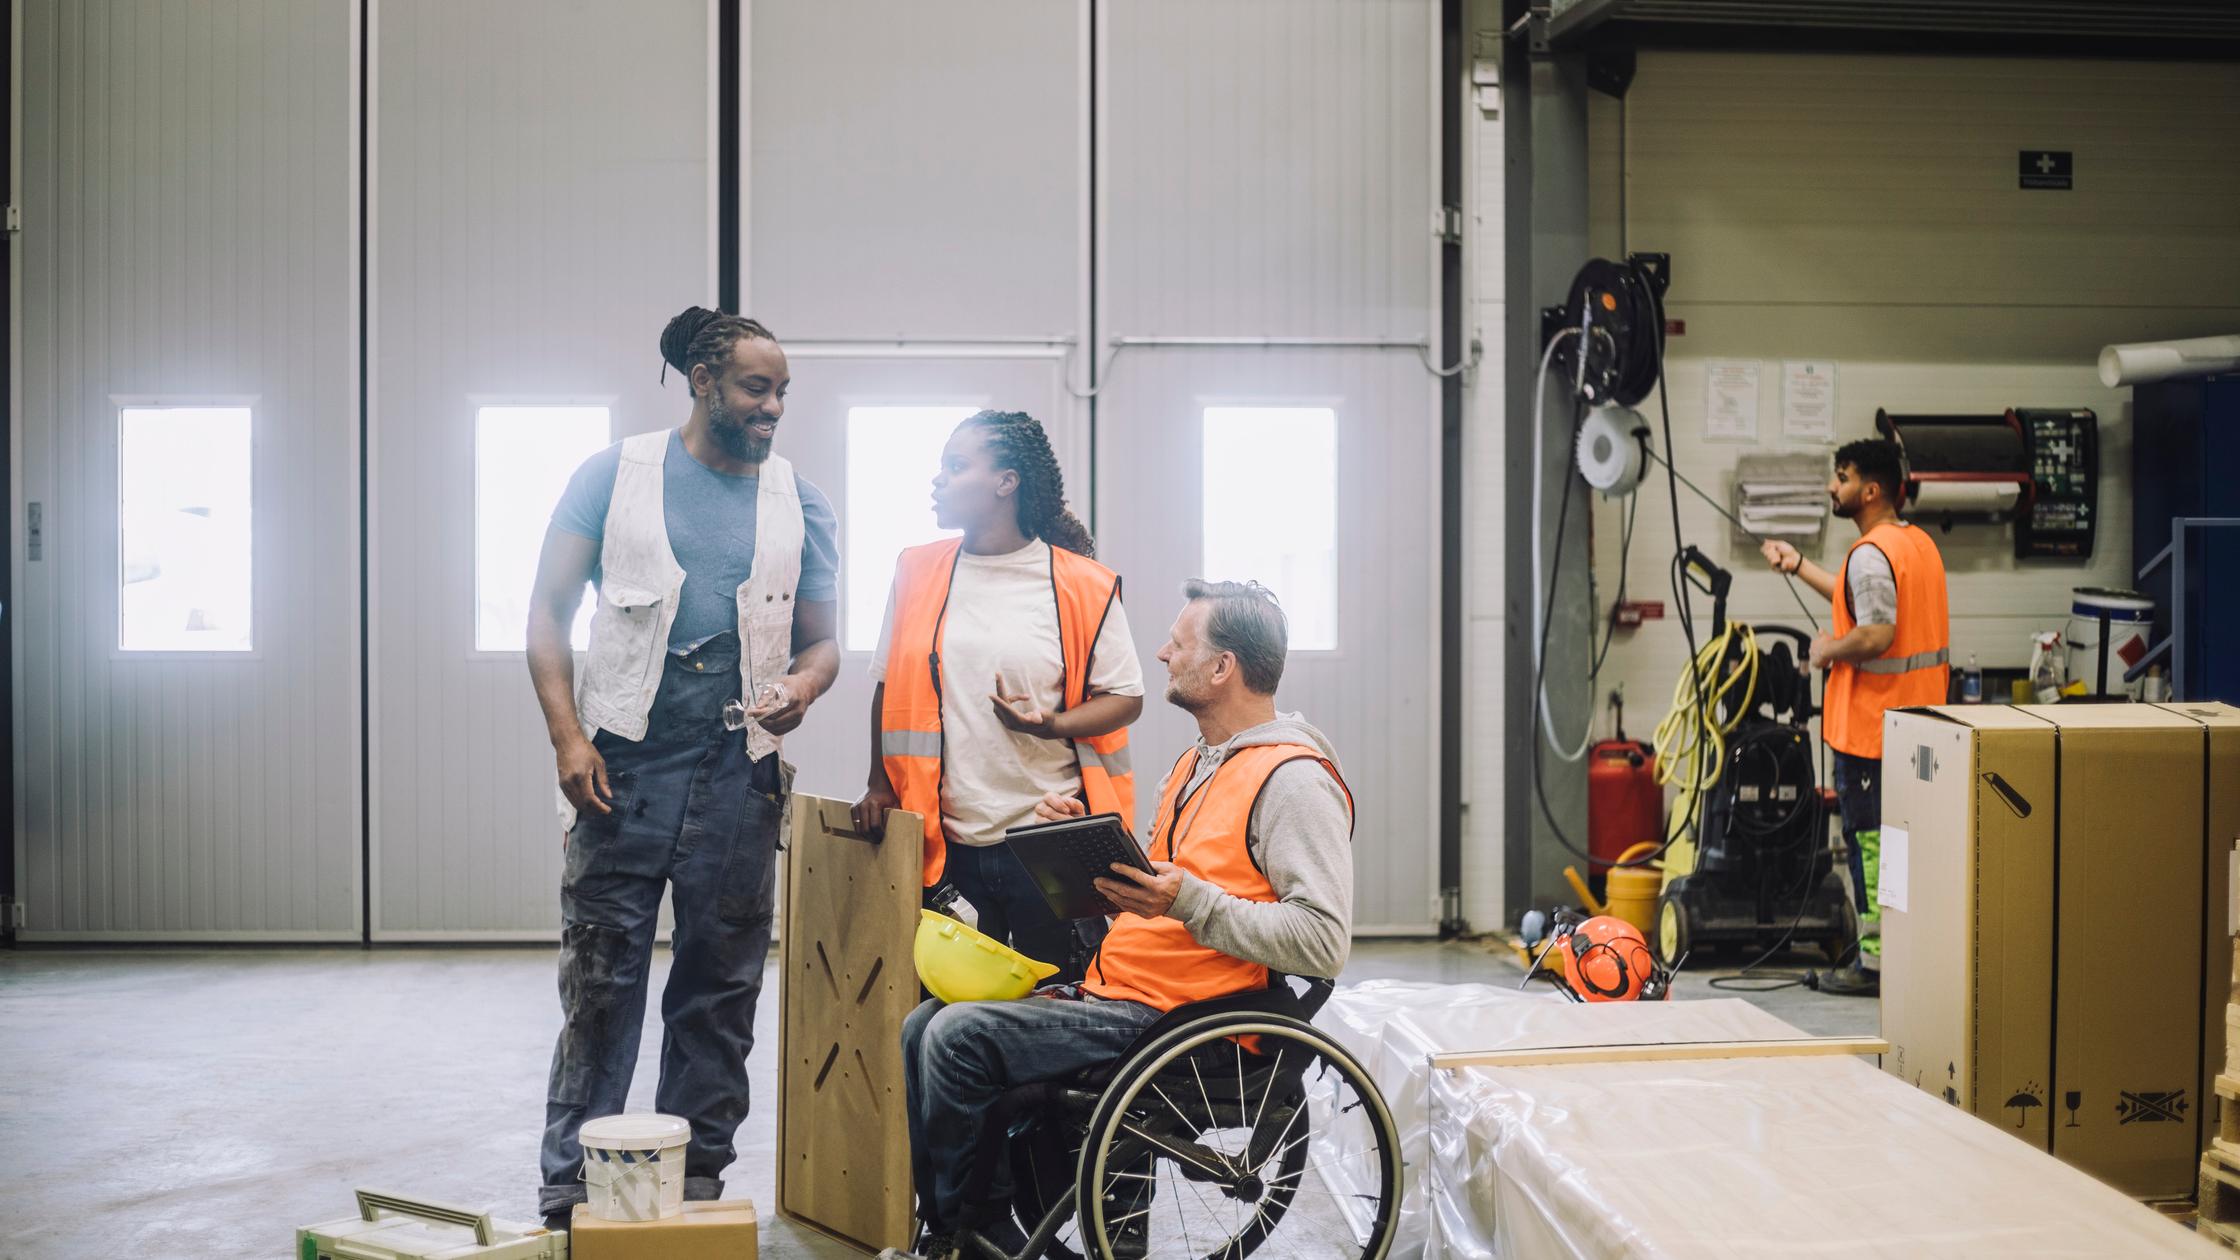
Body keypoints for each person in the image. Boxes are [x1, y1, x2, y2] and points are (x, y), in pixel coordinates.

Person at [893, 580, 1355, 1257]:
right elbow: (1174, 885)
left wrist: (1184, 901)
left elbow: (1322, 942)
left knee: (960, 1036)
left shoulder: (1293, 781)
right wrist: (1093, 850)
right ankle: (961, 1226)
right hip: (1128, 995)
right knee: (922, 1024)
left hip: (1187, 1019)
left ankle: (973, 1229)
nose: (1164, 654)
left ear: (1224, 668)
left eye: (1181, 643)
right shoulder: (1197, 764)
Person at [524, 306, 841, 1227]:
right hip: (621, 765)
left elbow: (824, 645)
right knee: (602, 977)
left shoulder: (800, 501)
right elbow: (545, 615)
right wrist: (566, 738)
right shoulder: (611, 477)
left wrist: (802, 689)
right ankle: (569, 1185)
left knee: (721, 983)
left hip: (740, 771)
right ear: (703, 383)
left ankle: (695, 1174)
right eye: (756, 387)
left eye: (782, 390)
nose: (773, 406)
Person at [852, 410, 1143, 978]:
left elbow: (1127, 696)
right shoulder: (916, 569)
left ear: (1007, 482)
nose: (939, 479)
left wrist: (1051, 725)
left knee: (1049, 1005)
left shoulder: (1084, 583)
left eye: (957, 466)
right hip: (948, 840)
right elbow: (888, 683)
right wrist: (877, 782)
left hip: (1046, 839)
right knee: (950, 1005)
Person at [1760, 437, 1949, 993]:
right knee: (1900, 849)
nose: (1830, 487)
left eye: (1839, 477)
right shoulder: (1913, 545)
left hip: (1871, 733)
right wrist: (1799, 566)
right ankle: (1898, 958)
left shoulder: (1871, 554)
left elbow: (1876, 633)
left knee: (1871, 849)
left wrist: (1826, 651)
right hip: (1914, 730)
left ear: (1868, 489)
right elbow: (1859, 600)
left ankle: (1873, 965)